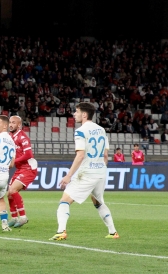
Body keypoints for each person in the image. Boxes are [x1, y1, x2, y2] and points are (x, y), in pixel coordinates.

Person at [49, 102, 119, 241]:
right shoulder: (101, 130)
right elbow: (106, 155)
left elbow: (80, 155)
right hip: (101, 172)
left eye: (77, 111)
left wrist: (69, 176)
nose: (74, 114)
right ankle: (113, 232)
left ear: (84, 114)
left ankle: (61, 231)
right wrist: (100, 168)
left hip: (87, 173)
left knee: (65, 201)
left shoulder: (81, 131)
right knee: (98, 202)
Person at [7, 116, 37, 228]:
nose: (10, 124)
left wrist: (14, 161)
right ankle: (14, 218)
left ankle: (23, 217)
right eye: (10, 122)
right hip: (20, 169)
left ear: (19, 125)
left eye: (13, 123)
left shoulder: (22, 137)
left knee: (13, 189)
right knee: (9, 194)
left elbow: (29, 155)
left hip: (29, 168)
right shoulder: (10, 136)